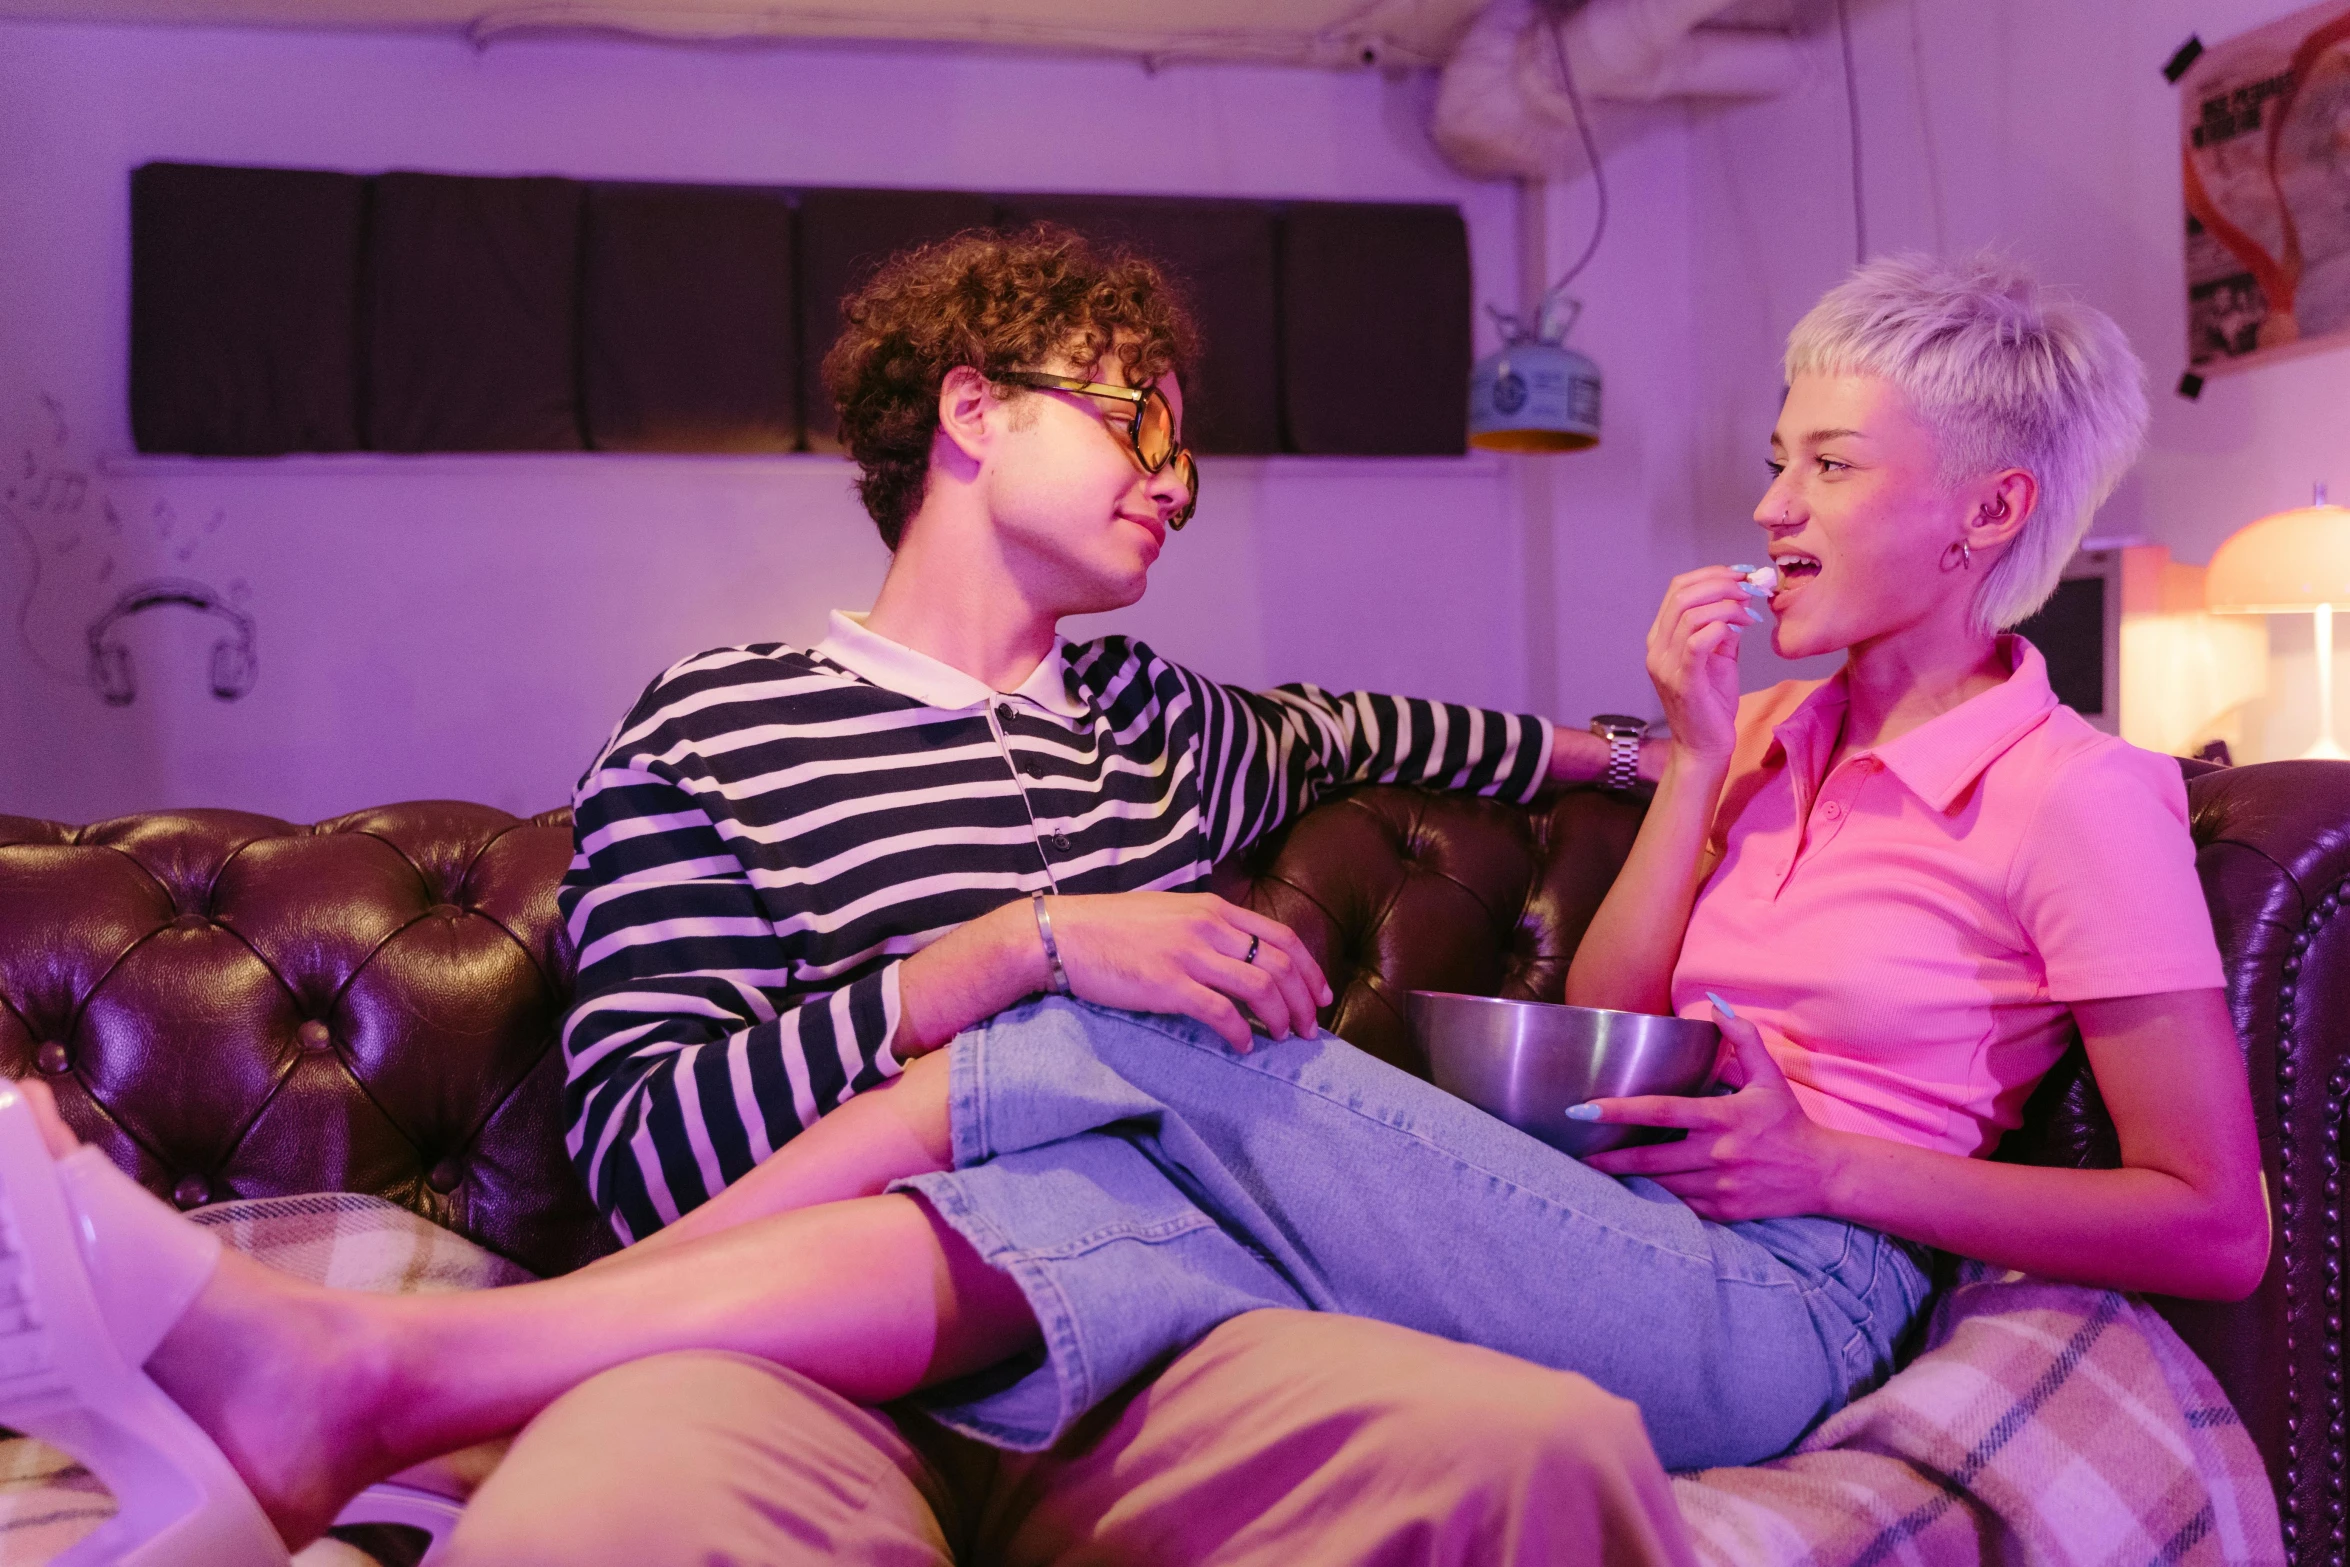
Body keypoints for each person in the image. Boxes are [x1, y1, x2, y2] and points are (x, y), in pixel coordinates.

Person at [9, 247, 2267, 1561]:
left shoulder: (1169, 732)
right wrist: (1003, 953)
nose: (1177, 477)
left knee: (1520, 1442)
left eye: (1813, 462)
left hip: (1205, 1323)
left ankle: (384, 1381)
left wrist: (1621, 744)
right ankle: (450, 1378)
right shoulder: (722, 716)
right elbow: (635, 1141)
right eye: (1137, 426)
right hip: (810, 1328)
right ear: (973, 416)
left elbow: (1415, 735)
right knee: (667, 1498)